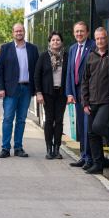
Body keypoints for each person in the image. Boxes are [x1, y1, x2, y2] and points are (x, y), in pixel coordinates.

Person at [0, 23, 39, 158]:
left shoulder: (32, 49)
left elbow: (37, 71)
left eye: (21, 31)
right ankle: (5, 148)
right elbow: (0, 70)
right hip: (10, 90)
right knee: (8, 119)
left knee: (21, 119)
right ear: (13, 33)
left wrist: (37, 90)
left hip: (26, 89)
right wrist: (0, 88)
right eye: (16, 31)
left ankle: (18, 147)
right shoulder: (5, 48)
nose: (19, 33)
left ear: (24, 32)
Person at [66, 21, 95, 169]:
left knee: (87, 126)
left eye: (82, 31)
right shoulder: (72, 48)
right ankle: (83, 156)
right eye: (76, 31)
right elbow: (70, 72)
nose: (79, 34)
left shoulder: (93, 46)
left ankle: (89, 158)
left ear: (87, 33)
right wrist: (69, 92)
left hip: (88, 93)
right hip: (76, 93)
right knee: (80, 127)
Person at [34, 31, 68, 159]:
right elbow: (36, 75)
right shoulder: (43, 57)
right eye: (53, 40)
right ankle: (49, 149)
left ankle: (57, 149)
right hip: (47, 93)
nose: (55, 42)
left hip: (61, 93)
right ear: (49, 42)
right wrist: (39, 93)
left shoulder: (67, 56)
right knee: (49, 120)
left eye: (58, 40)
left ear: (61, 42)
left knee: (59, 121)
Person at [81, 27, 109, 174]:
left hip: (106, 101)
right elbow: (85, 81)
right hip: (92, 101)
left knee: (98, 127)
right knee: (92, 133)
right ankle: (99, 165)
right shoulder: (91, 56)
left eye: (102, 38)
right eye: (97, 38)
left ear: (107, 38)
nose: (100, 41)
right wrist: (85, 102)